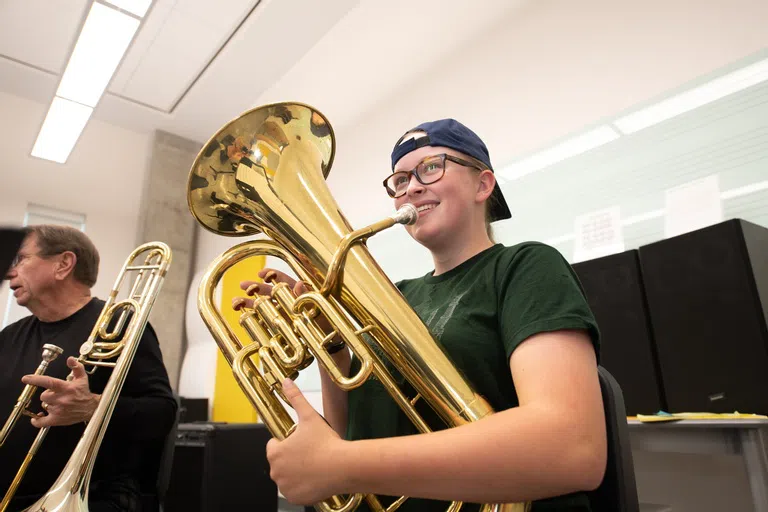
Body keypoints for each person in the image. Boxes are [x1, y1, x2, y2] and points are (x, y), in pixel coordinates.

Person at [239, 119, 607, 511]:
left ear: (483, 185)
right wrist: (332, 347)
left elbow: (572, 447)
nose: (411, 187)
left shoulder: (526, 266)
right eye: (399, 180)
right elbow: (354, 432)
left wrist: (342, 464)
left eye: (431, 167)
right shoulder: (395, 296)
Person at [0, 225, 177, 512]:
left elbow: (161, 413)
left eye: (21, 259)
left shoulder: (119, 325)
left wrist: (93, 407)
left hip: (88, 500)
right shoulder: (10, 335)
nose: (10, 272)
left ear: (63, 264)